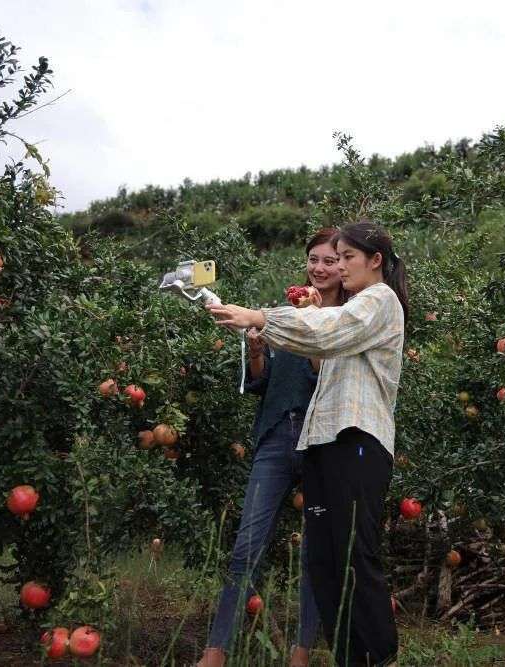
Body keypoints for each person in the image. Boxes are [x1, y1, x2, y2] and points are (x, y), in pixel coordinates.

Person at [206, 220, 407, 667]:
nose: (338, 265)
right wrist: (271, 330)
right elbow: (322, 344)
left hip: (355, 439)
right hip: (323, 443)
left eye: (346, 257)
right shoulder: (349, 308)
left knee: (353, 555)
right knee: (327, 562)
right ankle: (350, 657)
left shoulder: (379, 299)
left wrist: (260, 316)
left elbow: (328, 332)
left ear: (374, 261)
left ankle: (377, 657)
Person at [198, 228, 348, 667]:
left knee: (314, 552)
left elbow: (333, 380)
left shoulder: (348, 318)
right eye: (313, 260)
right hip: (276, 435)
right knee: (248, 543)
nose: (319, 268)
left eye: (328, 261)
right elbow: (262, 384)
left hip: (322, 439)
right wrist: (258, 351)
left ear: (343, 266)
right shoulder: (287, 312)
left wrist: (314, 324)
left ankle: (301, 652)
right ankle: (216, 652)